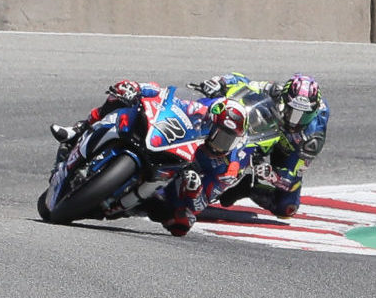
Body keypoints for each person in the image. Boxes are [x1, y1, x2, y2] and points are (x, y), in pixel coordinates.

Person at [50, 79, 245, 236]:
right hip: (160, 148)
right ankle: (78, 130)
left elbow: (199, 207)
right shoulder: (198, 113)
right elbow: (164, 97)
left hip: (171, 185)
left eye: (228, 140)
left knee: (180, 224)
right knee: (121, 101)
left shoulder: (227, 168)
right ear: (211, 122)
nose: (222, 144)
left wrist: (194, 191)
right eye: (220, 136)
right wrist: (137, 88)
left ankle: (123, 203)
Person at [190, 72, 329, 218]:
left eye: (303, 115)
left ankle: (245, 187)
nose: (295, 121)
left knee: (287, 208)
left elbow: (291, 177)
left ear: (314, 111)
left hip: (289, 149)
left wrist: (272, 176)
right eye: (292, 111)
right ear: (284, 100)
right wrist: (221, 82)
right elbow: (245, 82)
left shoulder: (313, 139)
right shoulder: (277, 91)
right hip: (268, 131)